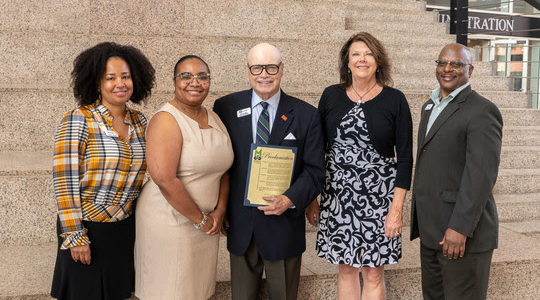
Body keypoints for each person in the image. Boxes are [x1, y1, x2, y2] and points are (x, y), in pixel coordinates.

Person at [213, 43, 326, 300]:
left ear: (282, 69)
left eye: (271, 67)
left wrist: (290, 199)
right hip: (241, 225)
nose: (264, 74)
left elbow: (315, 171)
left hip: (284, 227)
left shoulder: (306, 115)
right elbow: (220, 164)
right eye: (257, 67)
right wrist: (220, 208)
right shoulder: (226, 107)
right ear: (248, 70)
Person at [305, 32, 413, 299]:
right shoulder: (331, 95)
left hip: (380, 200)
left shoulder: (395, 99)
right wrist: (312, 198)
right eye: (356, 54)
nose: (362, 59)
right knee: (346, 268)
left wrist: (396, 210)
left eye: (368, 54)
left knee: (374, 272)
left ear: (378, 61)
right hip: (338, 197)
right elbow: (317, 150)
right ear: (347, 61)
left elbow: (407, 157)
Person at [51, 42, 155, 300]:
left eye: (126, 76)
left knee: (117, 293)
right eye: (110, 78)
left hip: (123, 228)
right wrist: (76, 236)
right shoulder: (79, 118)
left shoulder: (140, 121)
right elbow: (65, 181)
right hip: (86, 228)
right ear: (97, 82)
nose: (120, 83)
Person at [134, 55, 233, 300]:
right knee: (170, 290)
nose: (194, 82)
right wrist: (200, 219)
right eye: (186, 76)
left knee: (196, 290)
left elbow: (224, 170)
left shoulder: (214, 117)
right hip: (169, 221)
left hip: (207, 224)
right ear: (174, 81)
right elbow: (164, 179)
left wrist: (219, 211)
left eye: (202, 77)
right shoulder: (166, 120)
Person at [410, 43, 503, 300]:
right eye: (442, 63)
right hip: (432, 233)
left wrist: (459, 228)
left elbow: (481, 176)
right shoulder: (429, 106)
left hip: (462, 235)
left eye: (456, 64)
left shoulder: (482, 111)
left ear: (470, 69)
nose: (447, 69)